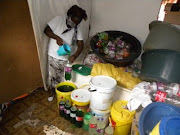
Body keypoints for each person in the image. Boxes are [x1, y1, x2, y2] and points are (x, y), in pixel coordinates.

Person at [44, 5, 87, 101]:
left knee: (63, 77)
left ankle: (61, 93)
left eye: (79, 21)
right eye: (75, 20)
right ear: (70, 15)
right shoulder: (58, 20)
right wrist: (57, 38)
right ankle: (51, 93)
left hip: (66, 56)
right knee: (52, 75)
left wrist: (74, 56)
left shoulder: (77, 26)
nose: (76, 23)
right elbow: (46, 30)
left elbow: (80, 44)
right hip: (53, 54)